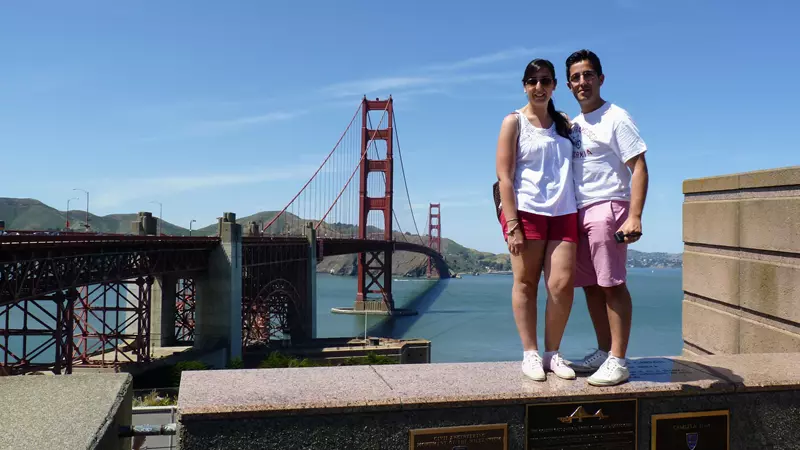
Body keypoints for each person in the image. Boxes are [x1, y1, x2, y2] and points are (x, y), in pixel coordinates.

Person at [564, 49, 649, 386]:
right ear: (569, 85)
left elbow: (639, 167)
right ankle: (603, 350)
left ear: (601, 78)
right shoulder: (573, 125)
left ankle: (618, 359)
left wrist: (635, 216)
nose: (582, 82)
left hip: (608, 207)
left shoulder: (617, 117)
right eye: (575, 77)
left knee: (612, 284)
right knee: (591, 287)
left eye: (588, 75)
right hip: (578, 210)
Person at [495, 58, 579, 381]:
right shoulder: (513, 122)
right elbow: (504, 176)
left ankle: (552, 353)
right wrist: (512, 224)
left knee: (560, 286)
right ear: (525, 86)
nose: (539, 87)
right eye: (533, 81)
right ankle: (530, 353)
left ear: (555, 85)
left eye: (545, 81)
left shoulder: (564, 125)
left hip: (564, 212)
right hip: (526, 213)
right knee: (526, 284)